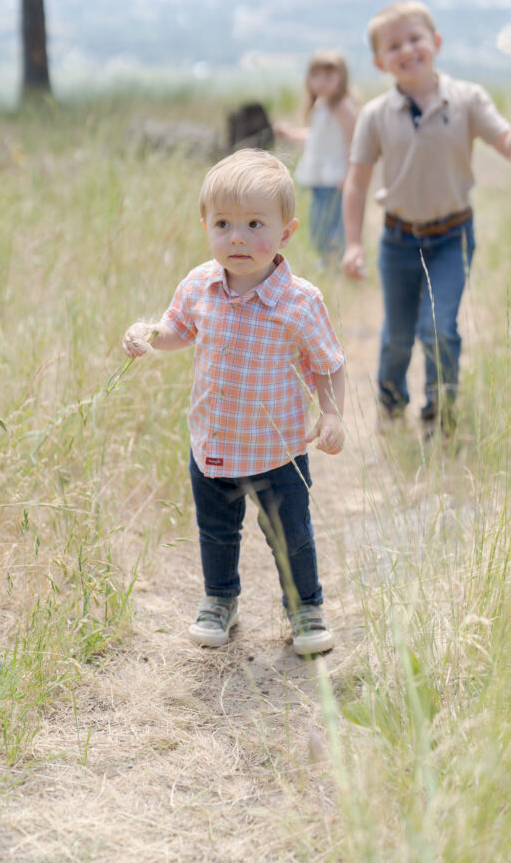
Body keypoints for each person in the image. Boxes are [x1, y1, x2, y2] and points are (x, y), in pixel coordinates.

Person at [123, 149, 345, 655]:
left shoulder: (300, 300)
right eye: (223, 223)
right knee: (217, 533)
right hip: (215, 446)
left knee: (292, 537)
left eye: (253, 224)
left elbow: (329, 363)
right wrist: (146, 333)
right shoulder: (200, 284)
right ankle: (220, 599)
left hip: (278, 451)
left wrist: (331, 412)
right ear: (206, 225)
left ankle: (305, 610)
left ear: (286, 233)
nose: (237, 237)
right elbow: (177, 330)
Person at [342, 0, 511, 435]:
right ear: (380, 61)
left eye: (415, 38)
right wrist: (354, 243)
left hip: (453, 237)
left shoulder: (467, 98)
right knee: (398, 334)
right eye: (394, 45)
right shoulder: (375, 115)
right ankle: (392, 406)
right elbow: (356, 183)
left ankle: (440, 411)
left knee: (438, 327)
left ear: (435, 42)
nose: (407, 50)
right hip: (398, 241)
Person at [275, 50, 359, 257]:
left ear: (342, 79)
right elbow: (316, 138)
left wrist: (350, 174)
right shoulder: (320, 105)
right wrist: (291, 134)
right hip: (320, 176)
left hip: (335, 177)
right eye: (316, 76)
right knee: (318, 224)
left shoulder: (342, 107)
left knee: (331, 226)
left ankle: (335, 262)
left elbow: (354, 142)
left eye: (328, 77)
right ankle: (328, 260)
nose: (321, 82)